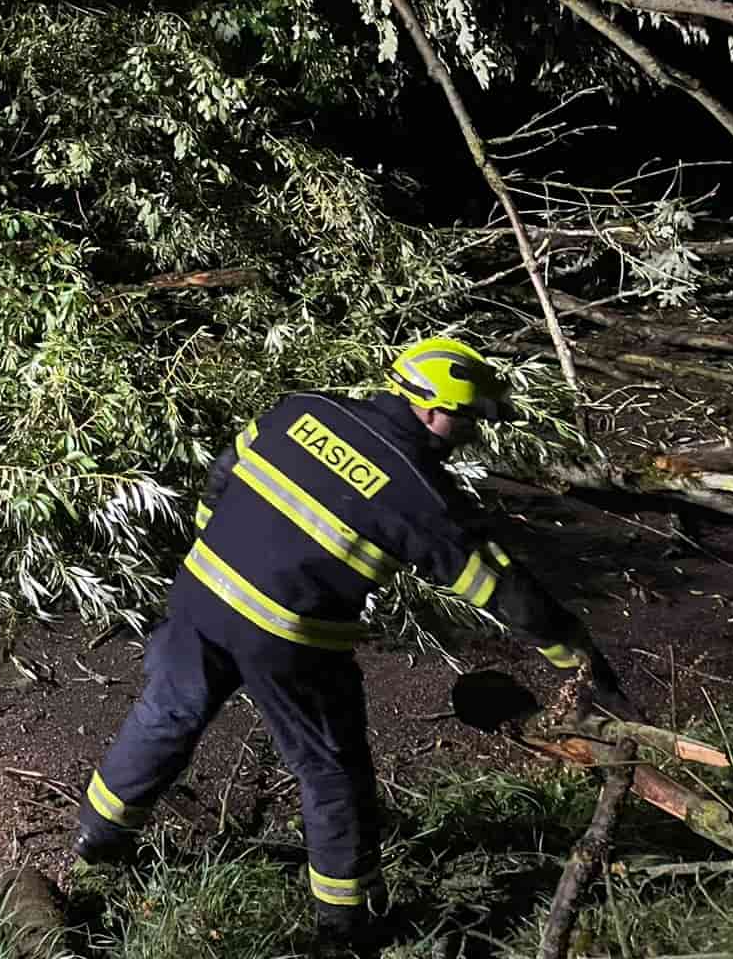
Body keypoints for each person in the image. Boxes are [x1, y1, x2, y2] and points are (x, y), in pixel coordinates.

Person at [71, 336, 624, 954]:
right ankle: (344, 925)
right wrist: (578, 659)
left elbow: (225, 470)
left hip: (201, 590)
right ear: (434, 409)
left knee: (168, 712)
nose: (471, 435)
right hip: (287, 637)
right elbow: (506, 593)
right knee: (331, 770)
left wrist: (214, 547)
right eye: (470, 419)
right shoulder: (421, 496)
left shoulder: (302, 409)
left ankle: (100, 839)